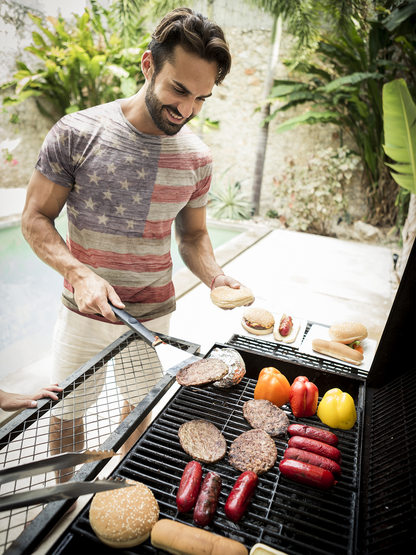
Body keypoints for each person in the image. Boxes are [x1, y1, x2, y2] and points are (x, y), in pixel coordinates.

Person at [21, 7, 246, 481]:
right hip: (82, 313)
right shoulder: (77, 133)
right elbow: (35, 219)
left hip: (153, 316)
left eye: (201, 98)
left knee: (138, 415)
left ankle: (124, 492)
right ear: (148, 65)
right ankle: (64, 503)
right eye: (179, 90)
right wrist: (78, 272)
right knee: (66, 417)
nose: (186, 110)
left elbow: (194, 235)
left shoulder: (197, 158)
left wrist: (215, 275)